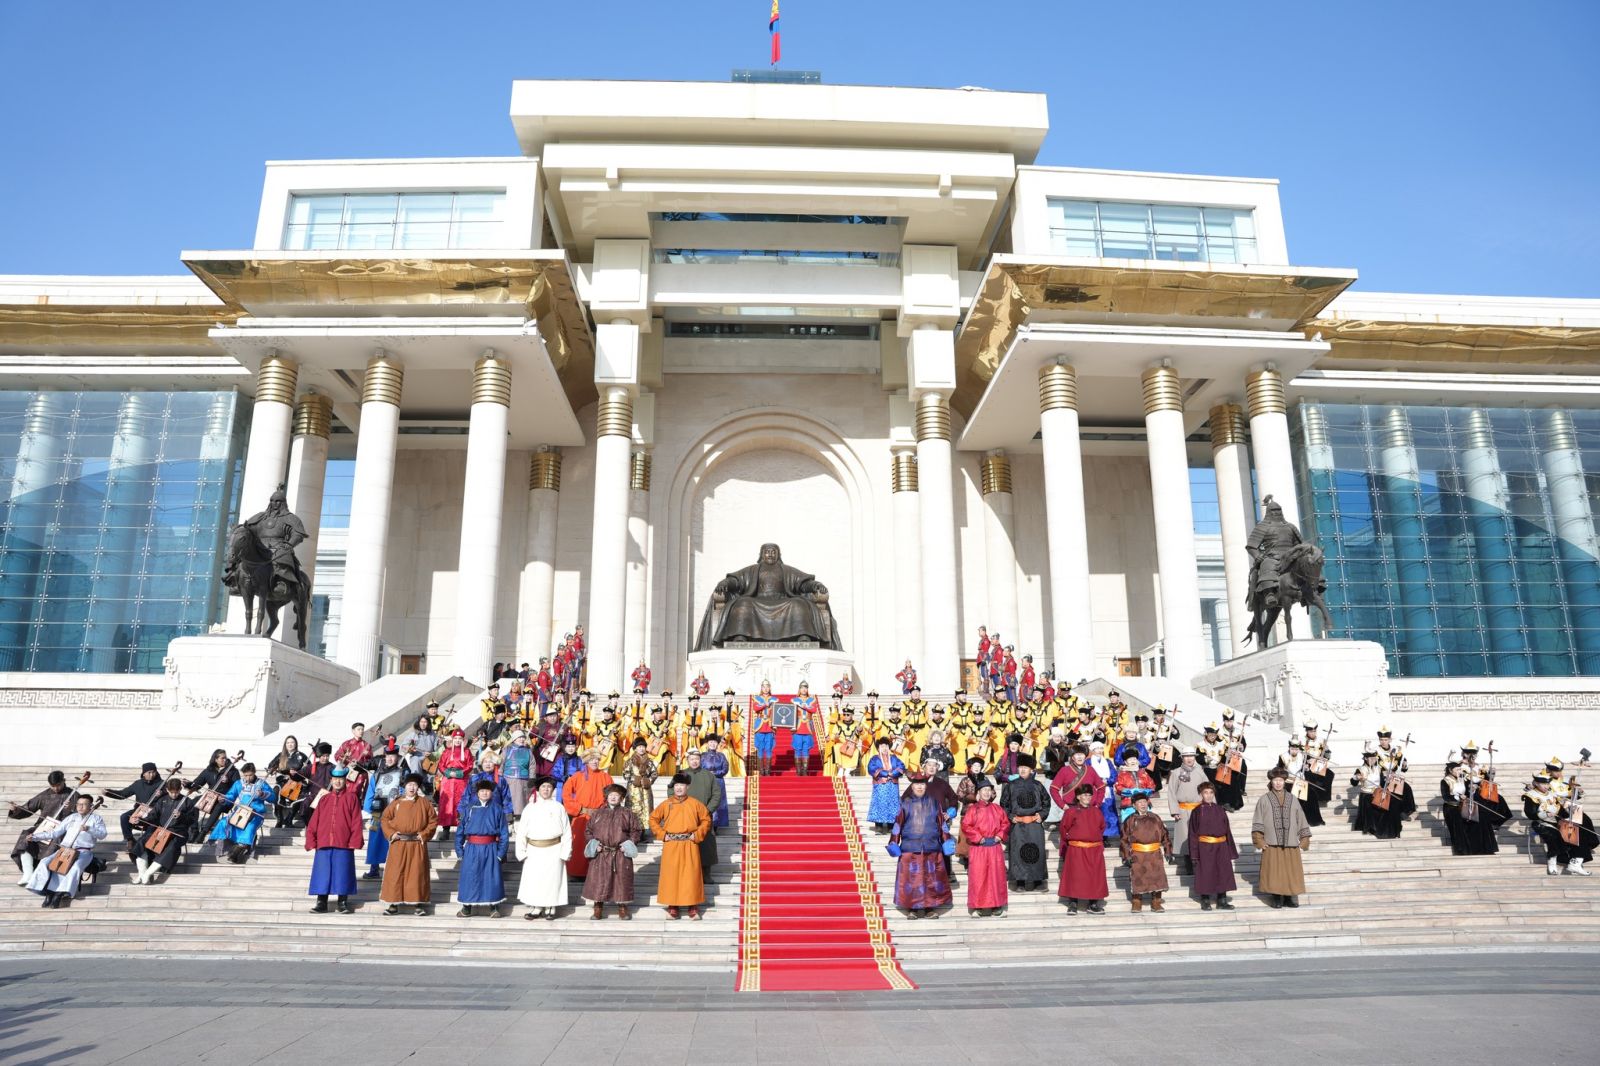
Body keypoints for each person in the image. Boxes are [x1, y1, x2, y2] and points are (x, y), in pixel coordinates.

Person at [25, 793, 106, 908]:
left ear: (91, 806)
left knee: (76, 867)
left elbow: (103, 835)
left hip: (84, 852)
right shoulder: (71, 818)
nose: (80, 807)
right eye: (78, 804)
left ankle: (60, 894)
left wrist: (89, 829)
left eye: (84, 804)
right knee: (44, 862)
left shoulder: (96, 819)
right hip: (65, 850)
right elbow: (55, 833)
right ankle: (46, 891)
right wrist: (34, 837)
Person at [889, 774, 953, 918]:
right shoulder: (904, 804)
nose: (919, 787)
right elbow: (898, 825)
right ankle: (912, 909)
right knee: (912, 880)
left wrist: (947, 840)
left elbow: (942, 824)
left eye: (922, 784)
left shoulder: (935, 803)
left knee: (931, 880)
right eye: (917, 784)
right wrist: (894, 842)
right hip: (910, 848)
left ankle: (930, 908)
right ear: (912, 786)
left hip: (931, 847)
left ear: (926, 786)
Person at [650, 773, 712, 920]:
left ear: (687, 787)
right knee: (672, 875)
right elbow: (653, 819)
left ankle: (692, 906)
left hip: (690, 843)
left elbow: (706, 820)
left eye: (682, 785)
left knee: (691, 875)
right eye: (676, 785)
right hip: (671, 844)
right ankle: (673, 906)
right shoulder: (666, 804)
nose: (678, 788)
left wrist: (697, 834)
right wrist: (662, 834)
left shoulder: (695, 804)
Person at [305, 766, 364, 914]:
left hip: (344, 842)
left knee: (343, 872)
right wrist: (311, 839)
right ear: (331, 780)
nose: (338, 782)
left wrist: (354, 840)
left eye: (341, 779)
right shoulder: (324, 798)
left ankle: (342, 902)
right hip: (324, 842)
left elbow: (356, 821)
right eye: (335, 779)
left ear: (345, 781)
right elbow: (314, 821)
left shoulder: (352, 798)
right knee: (322, 872)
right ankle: (321, 902)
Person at [378, 773, 437, 915]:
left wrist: (424, 834)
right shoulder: (397, 802)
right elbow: (385, 818)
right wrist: (391, 833)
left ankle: (418, 904)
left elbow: (433, 821)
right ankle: (393, 904)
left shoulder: (425, 803)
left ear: (418, 787)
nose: (412, 787)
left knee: (416, 874)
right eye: (409, 785)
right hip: (399, 843)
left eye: (415, 785)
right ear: (405, 787)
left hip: (416, 844)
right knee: (395, 873)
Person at [1253, 767, 1311, 908]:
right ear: (1271, 782)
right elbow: (1258, 820)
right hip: (1272, 843)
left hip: (1291, 842)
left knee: (1290, 872)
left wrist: (1304, 838)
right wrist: (1259, 840)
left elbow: (1301, 819)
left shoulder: (1293, 799)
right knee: (1274, 873)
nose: (1278, 783)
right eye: (1275, 780)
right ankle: (1276, 897)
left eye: (1280, 780)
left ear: (1284, 782)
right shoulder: (1264, 800)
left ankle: (1289, 897)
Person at [583, 784, 643, 920]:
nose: (613, 797)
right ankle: (598, 908)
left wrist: (629, 844)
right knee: (599, 881)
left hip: (620, 853)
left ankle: (622, 908)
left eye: (616, 795)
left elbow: (636, 831)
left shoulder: (628, 813)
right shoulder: (597, 814)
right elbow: (588, 831)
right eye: (611, 795)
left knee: (621, 882)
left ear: (621, 798)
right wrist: (594, 844)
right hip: (601, 853)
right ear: (607, 797)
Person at [516, 776, 572, 920]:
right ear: (538, 789)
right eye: (543, 787)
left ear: (553, 790)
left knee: (552, 880)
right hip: (533, 850)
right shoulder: (530, 808)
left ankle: (550, 907)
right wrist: (521, 851)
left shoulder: (559, 807)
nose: (546, 790)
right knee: (535, 879)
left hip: (554, 849)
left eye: (549, 787)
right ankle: (536, 907)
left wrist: (566, 851)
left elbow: (567, 831)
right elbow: (521, 831)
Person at [455, 778, 510, 917]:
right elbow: (460, 831)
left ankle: (494, 907)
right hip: (472, 848)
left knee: (491, 877)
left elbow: (504, 833)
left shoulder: (497, 809)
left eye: (487, 791)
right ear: (477, 793)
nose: (485, 793)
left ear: (491, 793)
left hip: (490, 848)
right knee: (469, 877)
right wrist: (459, 850)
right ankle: (466, 907)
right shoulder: (469, 808)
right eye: (482, 791)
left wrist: (500, 854)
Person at [10, 770, 74, 885]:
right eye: (53, 786)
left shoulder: (73, 794)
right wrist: (16, 810)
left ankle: (44, 874)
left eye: (58, 785)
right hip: (44, 827)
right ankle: (28, 873)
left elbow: (82, 813)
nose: (56, 788)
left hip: (62, 829)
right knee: (26, 835)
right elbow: (28, 808)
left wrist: (71, 808)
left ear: (64, 781)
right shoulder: (44, 795)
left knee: (56, 839)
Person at [1524, 772, 1594, 876]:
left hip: (1556, 821)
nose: (1546, 786)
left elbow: (1560, 810)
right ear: (1536, 783)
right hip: (1541, 823)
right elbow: (1530, 814)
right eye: (1543, 784)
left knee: (1578, 831)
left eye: (1547, 784)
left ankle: (1576, 862)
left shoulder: (1551, 794)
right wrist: (1545, 814)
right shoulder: (1531, 796)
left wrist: (1568, 811)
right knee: (1554, 835)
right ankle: (1552, 860)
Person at [561, 750, 614, 881]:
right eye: (592, 759)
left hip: (600, 817)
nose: (595, 762)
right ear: (586, 761)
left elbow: (612, 795)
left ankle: (597, 874)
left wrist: (603, 810)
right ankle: (576, 872)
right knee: (579, 844)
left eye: (597, 759)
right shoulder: (577, 776)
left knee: (599, 845)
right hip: (581, 817)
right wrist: (579, 809)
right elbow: (566, 793)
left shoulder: (606, 777)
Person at [999, 754, 1050, 892]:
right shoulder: (1011, 786)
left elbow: (1046, 802)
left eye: (1026, 768)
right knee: (1017, 852)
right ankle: (1019, 881)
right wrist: (1010, 816)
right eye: (1020, 767)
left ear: (1031, 770)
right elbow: (1003, 804)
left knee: (1036, 852)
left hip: (1034, 824)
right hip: (1018, 825)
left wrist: (1042, 815)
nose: (1022, 770)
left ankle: (1038, 881)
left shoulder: (1038, 786)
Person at [131, 776, 195, 884]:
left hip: (178, 832)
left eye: (176, 792)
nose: (174, 795)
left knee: (171, 846)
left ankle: (148, 874)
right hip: (161, 830)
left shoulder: (187, 802)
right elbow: (153, 816)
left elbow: (192, 820)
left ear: (180, 789)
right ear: (167, 790)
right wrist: (140, 820)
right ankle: (142, 873)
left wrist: (181, 816)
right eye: (171, 792)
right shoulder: (162, 800)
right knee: (142, 842)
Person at [207, 762, 274, 863]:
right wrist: (223, 798)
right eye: (245, 775)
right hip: (240, 812)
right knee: (224, 822)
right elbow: (231, 795)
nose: (248, 778)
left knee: (250, 826)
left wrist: (262, 794)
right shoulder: (239, 783)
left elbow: (273, 798)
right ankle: (224, 851)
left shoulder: (262, 784)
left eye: (250, 775)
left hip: (256, 813)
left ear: (254, 773)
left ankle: (237, 851)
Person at [1057, 783, 1108, 914]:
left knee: (1094, 877)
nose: (1088, 797)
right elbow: (1064, 829)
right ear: (1078, 797)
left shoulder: (1097, 812)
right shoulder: (1071, 812)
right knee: (1075, 876)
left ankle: (1093, 904)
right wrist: (1073, 841)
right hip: (1077, 849)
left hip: (1094, 850)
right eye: (1085, 795)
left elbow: (1102, 827)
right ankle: (1073, 903)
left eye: (1090, 795)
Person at [960, 780, 1009, 916]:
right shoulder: (973, 809)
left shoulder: (997, 809)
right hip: (979, 848)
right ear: (979, 793)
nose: (987, 792)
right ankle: (978, 907)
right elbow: (966, 826)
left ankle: (997, 906)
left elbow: (1005, 823)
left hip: (994, 847)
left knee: (996, 877)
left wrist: (1000, 835)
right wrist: (978, 837)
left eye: (989, 790)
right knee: (979, 877)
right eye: (984, 790)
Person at [1187, 780, 1237, 910]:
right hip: (1205, 846)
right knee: (1206, 872)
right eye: (1205, 793)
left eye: (1211, 792)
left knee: (1222, 872)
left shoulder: (1220, 809)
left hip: (1221, 846)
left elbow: (1227, 830)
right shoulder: (1197, 811)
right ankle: (1205, 900)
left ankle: (1222, 900)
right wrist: (1194, 854)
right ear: (1201, 794)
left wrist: (1230, 850)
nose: (1208, 795)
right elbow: (1193, 833)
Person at [1119, 792, 1172, 913]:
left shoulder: (1155, 818)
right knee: (1138, 878)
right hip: (1138, 854)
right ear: (1134, 805)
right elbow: (1124, 840)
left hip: (1154, 854)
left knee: (1157, 878)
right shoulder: (1130, 820)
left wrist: (1168, 851)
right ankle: (1137, 901)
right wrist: (1126, 856)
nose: (1143, 804)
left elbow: (1165, 835)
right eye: (1139, 802)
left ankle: (1156, 902)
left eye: (1144, 802)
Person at [361, 750, 408, 879]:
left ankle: (395, 869)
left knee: (393, 839)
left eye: (393, 756)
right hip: (377, 811)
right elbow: (370, 792)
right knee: (375, 840)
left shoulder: (402, 773)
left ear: (397, 757)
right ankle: (374, 869)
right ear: (385, 757)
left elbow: (404, 791)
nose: (390, 759)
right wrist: (368, 809)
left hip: (395, 811)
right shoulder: (376, 774)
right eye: (388, 756)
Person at [682, 750, 724, 884]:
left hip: (704, 816)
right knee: (687, 844)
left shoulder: (709, 775)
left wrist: (708, 810)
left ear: (700, 760)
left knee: (707, 844)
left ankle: (706, 874)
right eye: (692, 759)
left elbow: (716, 794)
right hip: (686, 815)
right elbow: (672, 791)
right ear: (687, 761)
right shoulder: (682, 774)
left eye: (696, 759)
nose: (694, 761)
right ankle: (688, 874)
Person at [1166, 749, 1209, 874]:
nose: (1189, 758)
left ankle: (1201, 863)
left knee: (1200, 836)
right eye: (1186, 756)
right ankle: (1189, 865)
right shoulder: (1175, 773)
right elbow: (1171, 792)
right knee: (1186, 838)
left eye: (1191, 756)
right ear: (1182, 758)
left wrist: (1211, 807)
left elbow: (1208, 789)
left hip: (1199, 809)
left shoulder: (1200, 772)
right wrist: (1175, 810)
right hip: (1183, 809)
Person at [101, 763, 163, 847]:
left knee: (152, 823)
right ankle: (130, 840)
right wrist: (108, 792)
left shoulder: (162, 784)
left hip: (154, 813)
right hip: (139, 811)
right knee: (124, 817)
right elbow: (123, 794)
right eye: (149, 772)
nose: (151, 775)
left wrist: (162, 793)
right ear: (144, 773)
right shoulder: (138, 784)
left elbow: (169, 795)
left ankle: (143, 844)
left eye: (153, 772)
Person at [188, 750, 240, 842]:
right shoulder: (209, 770)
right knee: (193, 802)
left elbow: (237, 788)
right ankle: (194, 830)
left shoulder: (233, 771)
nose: (225, 760)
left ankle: (203, 833)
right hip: (210, 798)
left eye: (225, 758)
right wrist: (188, 785)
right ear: (216, 759)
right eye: (222, 758)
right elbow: (197, 783)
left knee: (218, 806)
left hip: (224, 800)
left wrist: (228, 781)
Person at [266, 737, 312, 828]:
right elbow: (270, 766)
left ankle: (289, 819)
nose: (290, 744)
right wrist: (272, 770)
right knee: (276, 792)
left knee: (301, 795)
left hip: (297, 781)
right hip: (283, 781)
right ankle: (279, 819)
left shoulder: (301, 756)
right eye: (288, 743)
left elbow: (310, 768)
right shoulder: (281, 755)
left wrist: (301, 771)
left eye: (292, 742)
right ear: (285, 744)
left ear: (296, 744)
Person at [434, 730, 474, 834]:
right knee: (447, 804)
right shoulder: (446, 751)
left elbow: (470, 765)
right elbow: (441, 765)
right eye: (455, 738)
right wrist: (448, 773)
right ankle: (445, 829)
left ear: (463, 740)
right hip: (448, 780)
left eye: (459, 739)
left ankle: (462, 829)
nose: (457, 740)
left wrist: (460, 773)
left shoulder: (467, 752)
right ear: (452, 740)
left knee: (461, 802)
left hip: (461, 780)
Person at [866, 739, 907, 832]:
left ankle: (891, 825)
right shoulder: (874, 759)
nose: (884, 748)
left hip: (892, 785)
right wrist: (886, 773)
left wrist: (893, 773)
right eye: (882, 746)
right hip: (881, 785)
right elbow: (871, 768)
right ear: (878, 748)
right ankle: (879, 824)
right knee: (880, 803)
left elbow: (901, 766)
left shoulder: (894, 758)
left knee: (893, 804)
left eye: (886, 746)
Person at [623, 738, 656, 841]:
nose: (641, 749)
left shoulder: (649, 762)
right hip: (634, 789)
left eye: (643, 747)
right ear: (635, 749)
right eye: (639, 747)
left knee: (646, 809)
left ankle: (645, 832)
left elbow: (655, 773)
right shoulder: (630, 761)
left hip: (646, 789)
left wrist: (649, 781)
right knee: (634, 809)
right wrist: (634, 779)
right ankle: (634, 831)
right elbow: (625, 773)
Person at [699, 735, 732, 828]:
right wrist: (707, 774)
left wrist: (715, 773)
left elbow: (725, 769)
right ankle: (705, 824)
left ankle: (716, 825)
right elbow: (698, 768)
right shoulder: (702, 756)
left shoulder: (721, 756)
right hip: (705, 781)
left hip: (718, 781)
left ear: (717, 744)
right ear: (707, 744)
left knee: (718, 803)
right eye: (711, 742)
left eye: (714, 742)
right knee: (706, 802)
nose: (712, 744)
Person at [502, 731, 535, 818]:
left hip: (523, 780)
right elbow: (501, 763)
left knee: (521, 800)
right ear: (514, 739)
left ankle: (519, 817)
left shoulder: (528, 751)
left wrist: (532, 778)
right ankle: (508, 817)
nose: (521, 739)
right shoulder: (507, 750)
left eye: (523, 737)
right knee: (508, 799)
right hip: (508, 779)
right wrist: (499, 776)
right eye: (519, 737)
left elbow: (532, 766)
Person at [752, 685, 777, 776]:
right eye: (764, 687)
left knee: (769, 748)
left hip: (770, 725)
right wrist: (764, 704)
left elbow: (777, 711)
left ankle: (768, 770)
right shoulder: (757, 698)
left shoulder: (774, 699)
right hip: (760, 725)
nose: (766, 689)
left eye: (767, 687)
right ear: (761, 688)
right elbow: (755, 708)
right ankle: (761, 770)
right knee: (760, 748)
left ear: (770, 688)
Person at [791, 687, 818, 775]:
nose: (804, 690)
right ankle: (798, 771)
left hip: (808, 727)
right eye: (802, 688)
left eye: (805, 688)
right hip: (797, 727)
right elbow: (791, 713)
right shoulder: (794, 700)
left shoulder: (812, 700)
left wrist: (804, 706)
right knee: (798, 749)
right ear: (799, 689)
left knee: (806, 749)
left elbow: (814, 710)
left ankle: (805, 770)